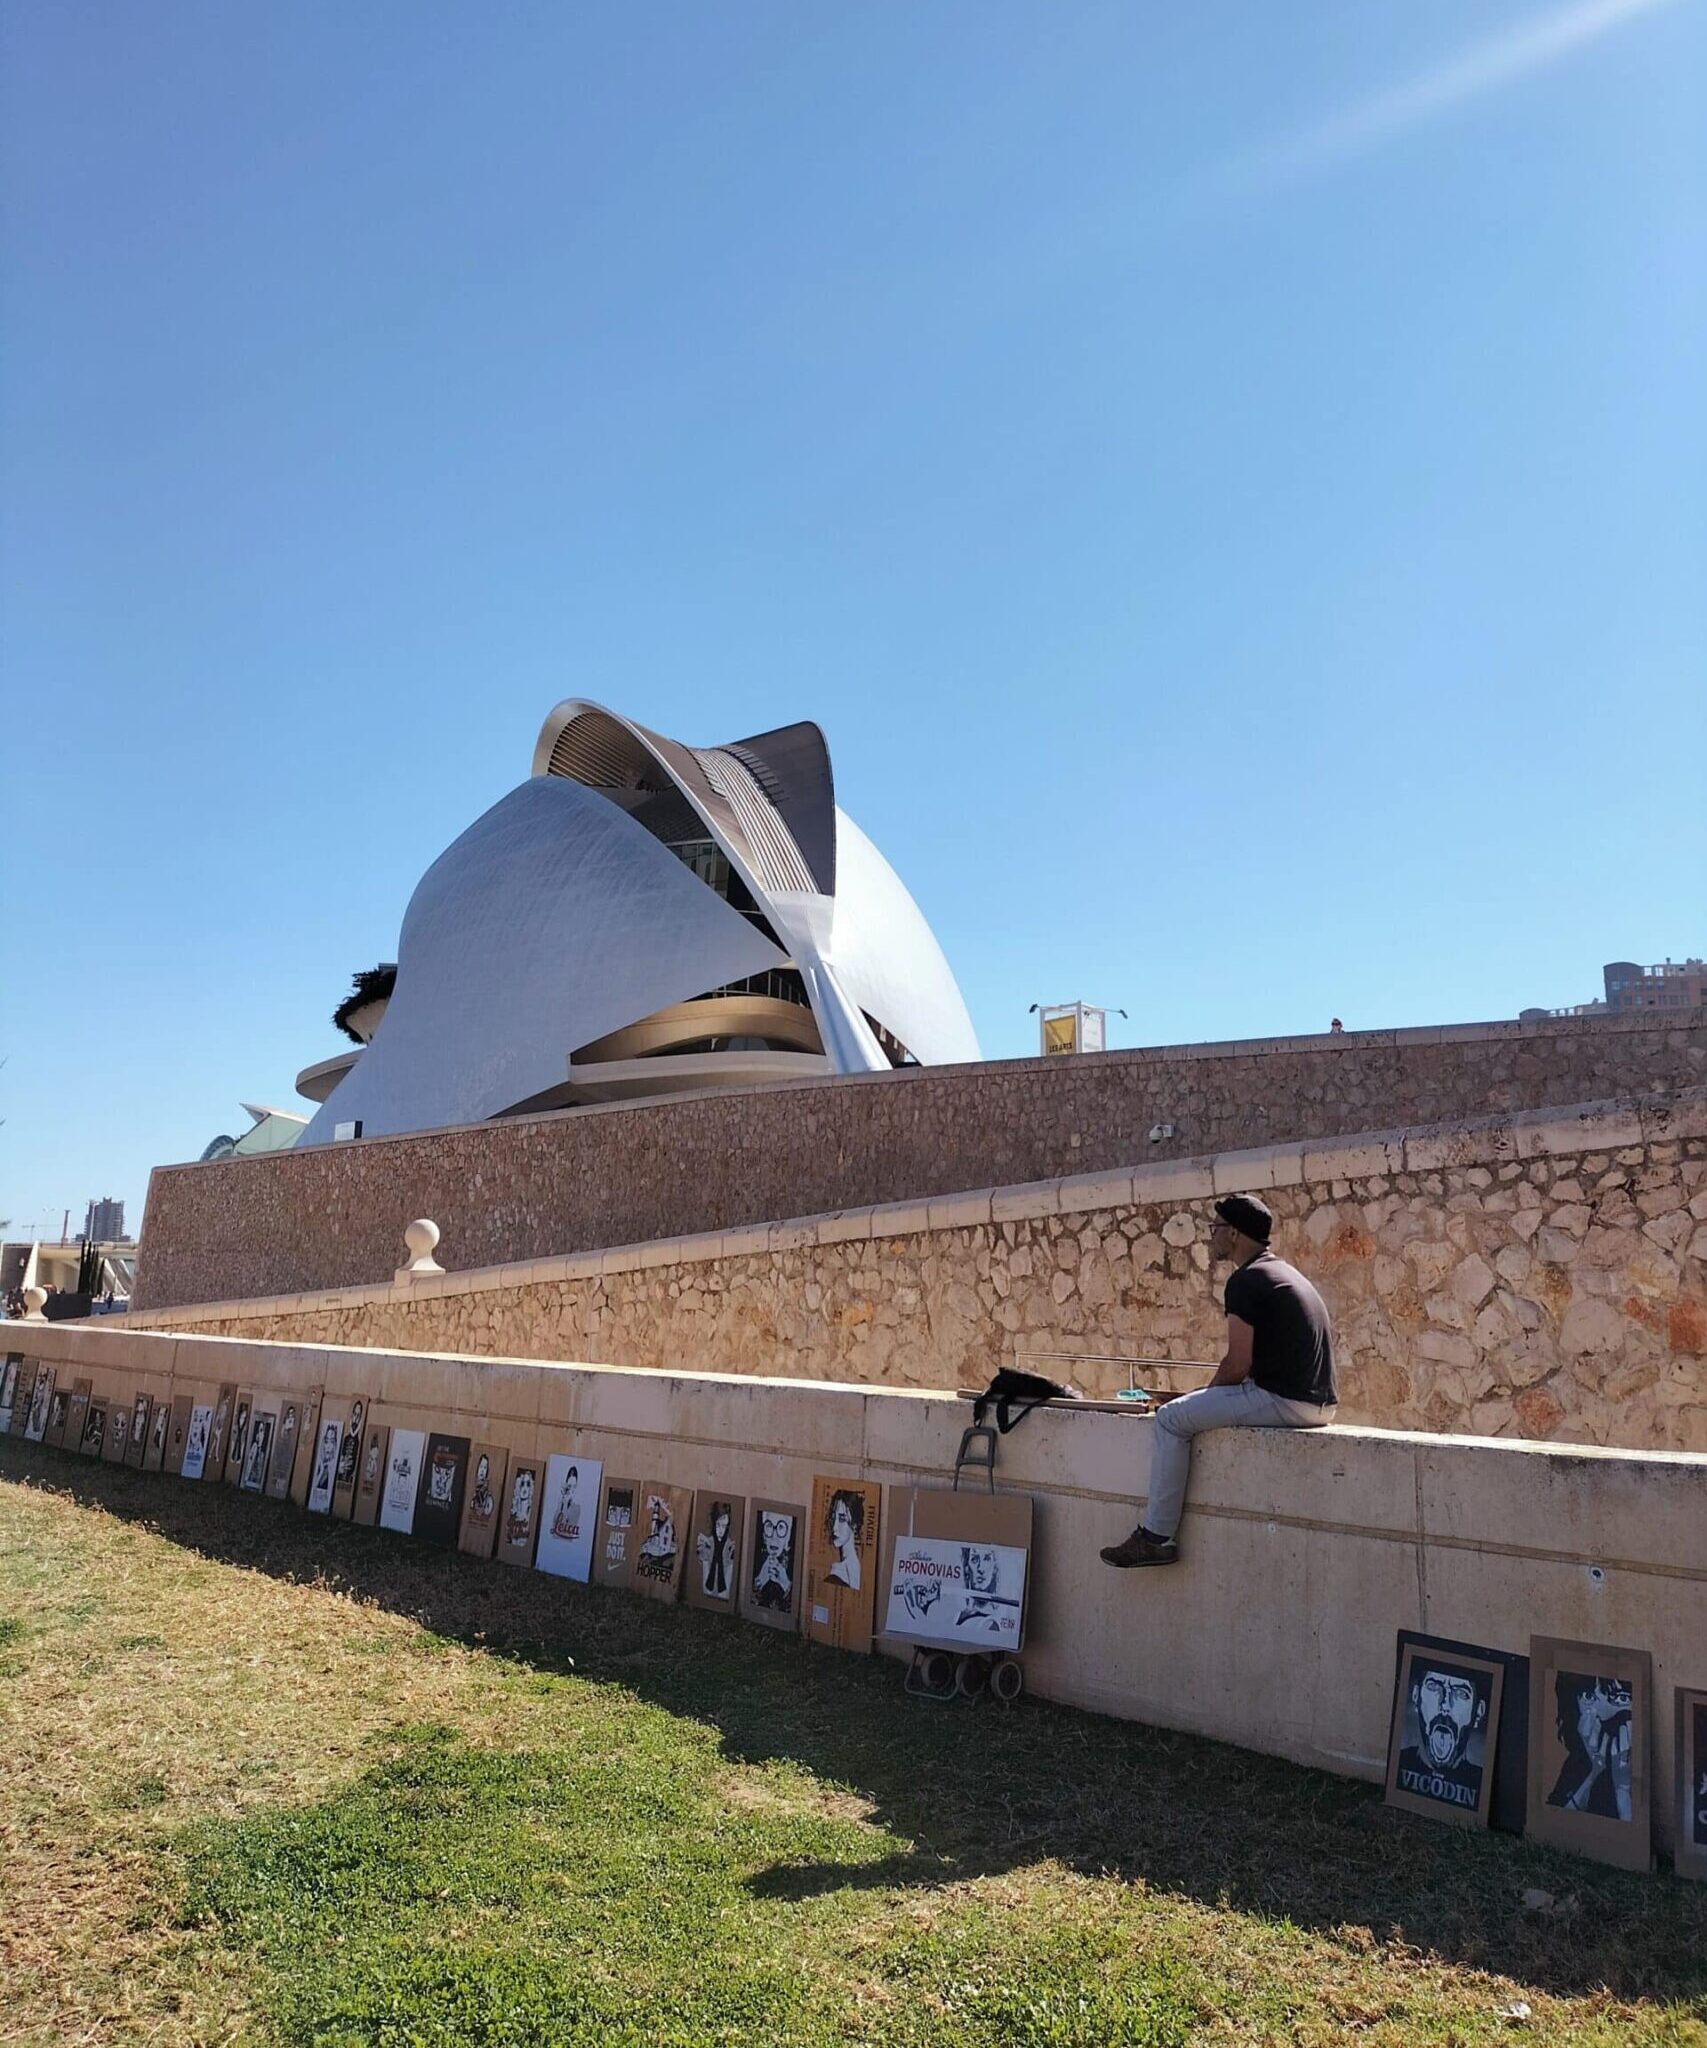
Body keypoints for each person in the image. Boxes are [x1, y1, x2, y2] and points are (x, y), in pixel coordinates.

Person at [1101, 1193, 1337, 1568]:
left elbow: (1236, 1364)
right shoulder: (1283, 1272)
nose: (1212, 1235)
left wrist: (1199, 1401)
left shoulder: (1245, 1282)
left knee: (1171, 1419)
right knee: (1186, 1408)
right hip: (1319, 1402)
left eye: (1217, 1228)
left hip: (1286, 1400)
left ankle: (1156, 1537)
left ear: (1236, 1234)